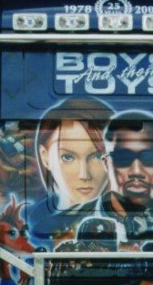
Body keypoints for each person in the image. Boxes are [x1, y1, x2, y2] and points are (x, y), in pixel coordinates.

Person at [27, 98, 109, 240]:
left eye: (97, 156)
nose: (84, 174)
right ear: (45, 157)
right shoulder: (33, 218)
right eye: (68, 157)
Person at [94, 116, 153, 242]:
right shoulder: (74, 219)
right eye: (123, 157)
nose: (136, 171)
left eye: (149, 157)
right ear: (106, 164)